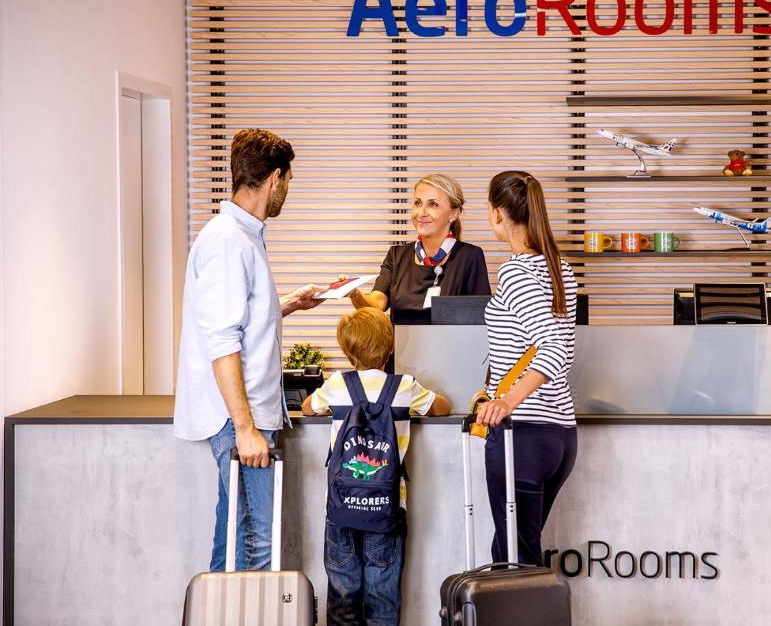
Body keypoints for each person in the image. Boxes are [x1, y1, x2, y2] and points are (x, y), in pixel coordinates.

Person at [174, 128, 328, 572]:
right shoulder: (227, 241)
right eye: (290, 180)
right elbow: (221, 341)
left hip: (244, 416)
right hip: (236, 419)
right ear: (276, 178)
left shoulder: (243, 235)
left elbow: (238, 318)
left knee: (232, 535)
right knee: (258, 541)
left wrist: (289, 305)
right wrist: (244, 429)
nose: (287, 190)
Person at [302, 307, 451, 626]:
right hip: (386, 507)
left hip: (341, 507)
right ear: (391, 345)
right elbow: (442, 407)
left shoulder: (336, 384)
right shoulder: (405, 386)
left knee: (343, 595)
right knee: (383, 596)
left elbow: (307, 408)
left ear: (346, 350)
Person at [475, 170, 579, 567]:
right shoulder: (558, 266)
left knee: (512, 565)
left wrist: (506, 402)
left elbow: (555, 349)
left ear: (497, 213)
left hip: (524, 436)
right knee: (518, 559)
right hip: (559, 438)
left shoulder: (517, 271)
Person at [349, 173, 490, 324]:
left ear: (454, 214)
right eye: (417, 203)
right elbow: (376, 305)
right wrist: (355, 294)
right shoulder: (396, 255)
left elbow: (480, 320)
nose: (422, 213)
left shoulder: (469, 256)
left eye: (433, 204)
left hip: (450, 347)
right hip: (402, 347)